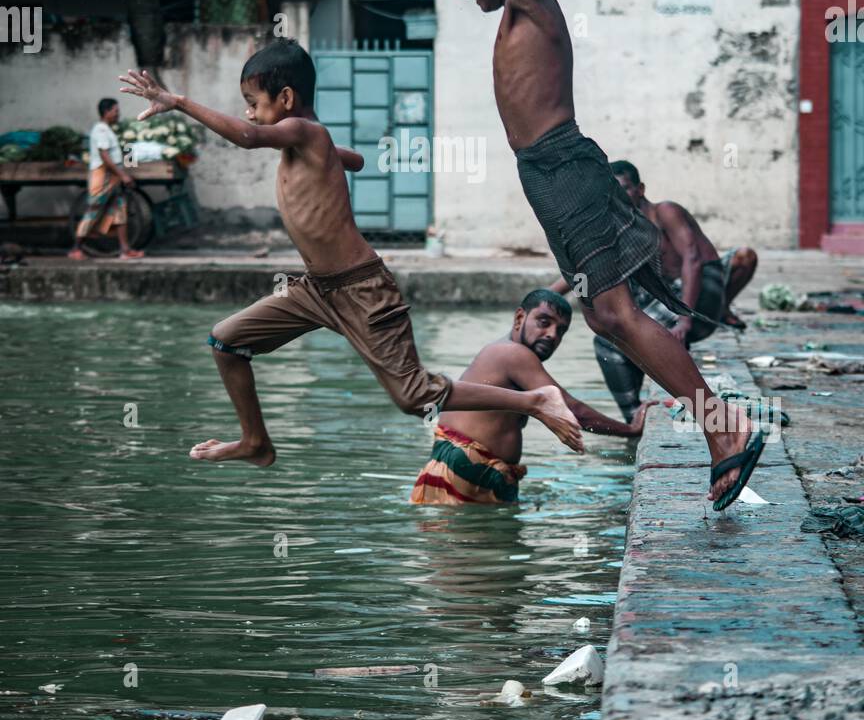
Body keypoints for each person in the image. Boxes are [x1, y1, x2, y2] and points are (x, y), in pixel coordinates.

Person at [385, 0, 762, 512]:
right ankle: (718, 426)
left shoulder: (532, 1)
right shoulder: (512, 11)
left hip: (565, 169)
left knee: (615, 312)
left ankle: (723, 428)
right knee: (607, 318)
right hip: (549, 181)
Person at [118, 43, 581, 467]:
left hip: (361, 288)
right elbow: (355, 160)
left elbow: (244, 136)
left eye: (255, 104)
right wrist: (336, 156)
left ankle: (534, 401)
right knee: (226, 341)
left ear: (285, 98)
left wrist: (177, 102)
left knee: (413, 396)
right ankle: (255, 441)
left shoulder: (301, 130)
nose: (249, 113)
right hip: (316, 289)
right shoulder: (309, 140)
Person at [553, 160, 757, 422]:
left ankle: (632, 417)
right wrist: (547, 296)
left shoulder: (665, 212)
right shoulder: (620, 229)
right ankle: (636, 414)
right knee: (613, 333)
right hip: (669, 296)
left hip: (702, 293)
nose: (617, 197)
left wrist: (684, 319)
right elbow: (582, 271)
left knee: (609, 343)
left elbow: (692, 259)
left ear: (640, 189)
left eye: (624, 189)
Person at [411, 287, 655, 506]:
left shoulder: (504, 349)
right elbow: (571, 410)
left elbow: (542, 297)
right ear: (519, 318)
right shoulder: (513, 354)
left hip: (462, 468)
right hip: (466, 469)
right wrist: (630, 430)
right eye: (544, 322)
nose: (551, 334)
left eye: (561, 330)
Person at [68, 98, 144, 261]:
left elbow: (120, 154)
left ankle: (125, 250)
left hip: (113, 176)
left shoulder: (109, 130)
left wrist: (126, 168)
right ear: (106, 112)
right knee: (93, 212)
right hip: (103, 175)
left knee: (119, 213)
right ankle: (76, 248)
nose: (118, 114)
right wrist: (123, 175)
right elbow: (104, 156)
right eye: (116, 110)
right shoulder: (101, 130)